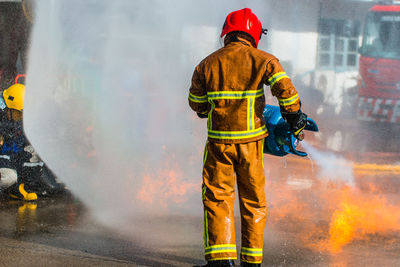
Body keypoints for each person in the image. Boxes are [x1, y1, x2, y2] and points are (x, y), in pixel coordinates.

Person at [188, 8, 307, 267]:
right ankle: (251, 262)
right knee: (253, 201)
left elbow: (196, 102)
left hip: (219, 144)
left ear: (226, 34)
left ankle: (221, 261)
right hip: (251, 144)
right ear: (254, 34)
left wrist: (206, 110)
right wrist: (294, 116)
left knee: (218, 198)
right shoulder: (264, 60)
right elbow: (285, 91)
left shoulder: (206, 63)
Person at [0, 79, 43, 201]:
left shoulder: (17, 123)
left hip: (8, 159)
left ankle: (15, 188)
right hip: (3, 160)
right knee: (9, 177)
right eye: (18, 114)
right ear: (8, 108)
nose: (20, 118)